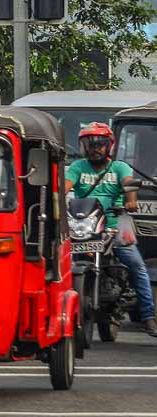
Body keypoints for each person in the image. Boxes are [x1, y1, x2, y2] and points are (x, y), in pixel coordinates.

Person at [66, 122, 157, 338]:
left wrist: (131, 201)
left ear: (109, 146)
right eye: (90, 144)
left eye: (100, 144)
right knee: (62, 264)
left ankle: (148, 317)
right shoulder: (78, 167)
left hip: (114, 227)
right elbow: (65, 186)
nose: (95, 148)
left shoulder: (120, 167)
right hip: (85, 227)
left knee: (138, 267)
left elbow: (128, 183)